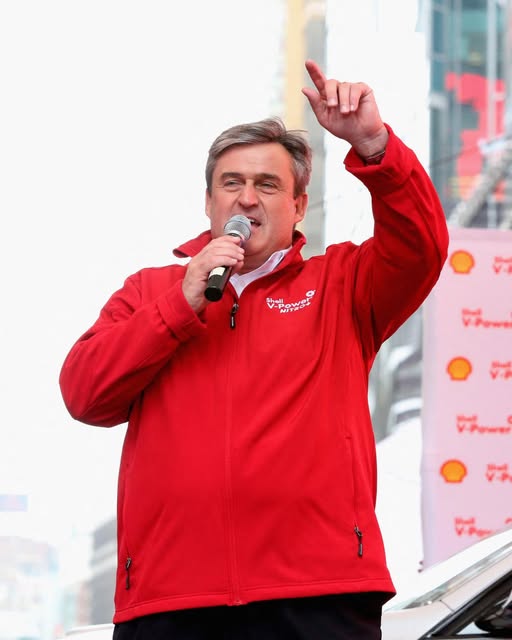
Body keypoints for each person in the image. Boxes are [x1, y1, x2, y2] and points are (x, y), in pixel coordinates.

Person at [59, 60, 449, 639]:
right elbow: (85, 394)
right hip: (172, 597)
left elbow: (421, 247)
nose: (246, 199)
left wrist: (374, 145)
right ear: (209, 202)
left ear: (298, 206)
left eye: (267, 185)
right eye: (231, 183)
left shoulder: (342, 283)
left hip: (319, 596)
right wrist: (181, 304)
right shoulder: (149, 292)